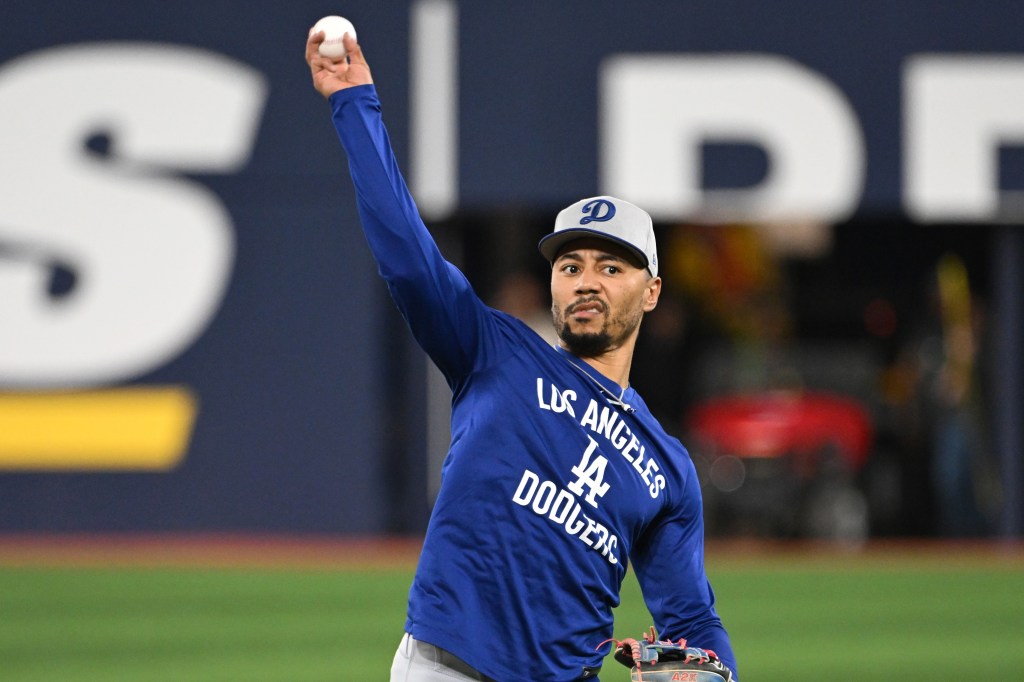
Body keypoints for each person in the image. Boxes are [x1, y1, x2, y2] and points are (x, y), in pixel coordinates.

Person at [305, 29, 739, 682]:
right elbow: (409, 258)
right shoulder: (496, 354)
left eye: (610, 266)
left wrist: (720, 673)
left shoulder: (666, 468)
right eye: (570, 264)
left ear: (651, 292)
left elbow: (692, 624)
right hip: (444, 669)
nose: (586, 279)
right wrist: (353, 103)